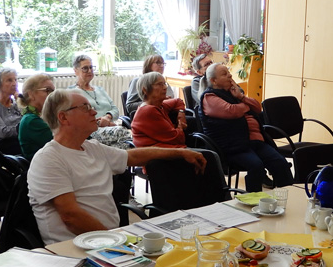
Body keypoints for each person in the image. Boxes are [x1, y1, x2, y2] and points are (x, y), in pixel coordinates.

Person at [27, 89, 207, 244]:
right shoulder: (49, 159)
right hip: (72, 250)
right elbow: (71, 217)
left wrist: (181, 152)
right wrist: (117, 243)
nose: (93, 112)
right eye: (85, 107)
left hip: (106, 241)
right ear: (63, 117)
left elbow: (132, 156)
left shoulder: (91, 147)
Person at [198, 63, 293, 191]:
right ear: (213, 81)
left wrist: (241, 97)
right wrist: (245, 105)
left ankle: (289, 195)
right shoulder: (209, 97)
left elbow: (257, 108)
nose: (230, 75)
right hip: (231, 146)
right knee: (256, 166)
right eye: (224, 74)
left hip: (252, 142)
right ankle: (252, 202)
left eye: (229, 72)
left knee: (280, 162)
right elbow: (232, 111)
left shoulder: (233, 93)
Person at [68, 55, 132, 149]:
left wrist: (107, 117)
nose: (89, 71)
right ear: (75, 71)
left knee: (124, 145)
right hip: (92, 131)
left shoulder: (100, 90)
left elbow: (115, 109)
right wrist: (100, 123)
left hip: (111, 128)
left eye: (91, 67)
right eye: (85, 68)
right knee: (124, 133)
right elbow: (78, 117)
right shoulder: (72, 93)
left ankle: (110, 160)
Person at [131, 72, 187, 148]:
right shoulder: (149, 111)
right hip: (158, 156)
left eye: (164, 84)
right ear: (145, 90)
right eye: (160, 84)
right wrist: (180, 127)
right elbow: (177, 139)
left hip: (169, 150)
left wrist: (181, 114)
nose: (165, 87)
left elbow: (178, 101)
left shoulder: (159, 105)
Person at [17, 73, 55, 164]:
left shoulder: (44, 115)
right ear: (31, 94)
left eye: (54, 91)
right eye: (48, 90)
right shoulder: (31, 121)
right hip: (45, 169)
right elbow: (65, 143)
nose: (53, 95)